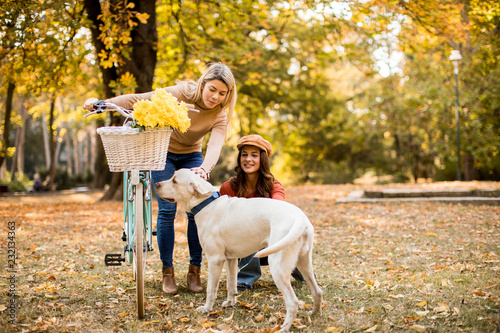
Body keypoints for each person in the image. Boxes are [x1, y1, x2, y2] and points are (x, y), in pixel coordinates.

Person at [84, 62, 237, 295]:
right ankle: (168, 272)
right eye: (212, 89)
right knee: (167, 208)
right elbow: (139, 100)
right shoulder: (181, 92)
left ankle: (194, 270)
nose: (215, 96)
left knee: (196, 210)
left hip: (192, 156)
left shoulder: (219, 114)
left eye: (222, 93)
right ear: (203, 84)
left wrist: (205, 169)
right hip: (162, 152)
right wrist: (103, 103)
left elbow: (215, 144)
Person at [219, 134, 304, 291]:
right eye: (244, 154)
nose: (248, 159)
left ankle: (302, 274)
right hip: (242, 245)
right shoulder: (228, 188)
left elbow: (280, 211)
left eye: (254, 155)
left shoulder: (274, 186)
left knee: (290, 239)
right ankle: (245, 279)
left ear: (262, 159)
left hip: (273, 242)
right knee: (245, 227)